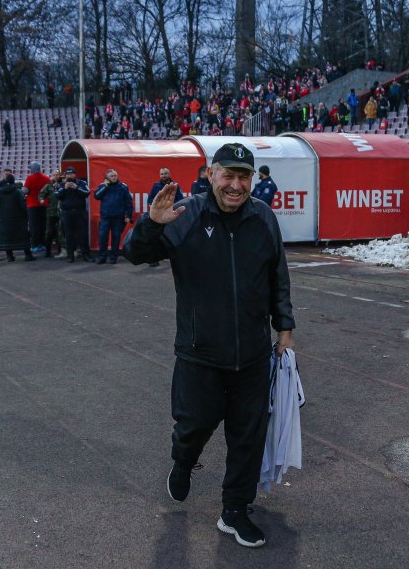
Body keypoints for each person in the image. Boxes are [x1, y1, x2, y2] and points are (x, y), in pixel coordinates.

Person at [122, 142, 295, 549]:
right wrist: (152, 223)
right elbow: (134, 253)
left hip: (252, 355)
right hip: (199, 353)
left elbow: (278, 276)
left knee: (248, 436)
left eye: (244, 177)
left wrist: (284, 328)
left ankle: (235, 510)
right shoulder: (186, 214)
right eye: (228, 176)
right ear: (211, 174)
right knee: (194, 425)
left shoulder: (263, 217)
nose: (235, 185)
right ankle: (183, 461)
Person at [94, 168, 133, 264]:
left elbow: (129, 202)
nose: (114, 177)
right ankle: (102, 256)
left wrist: (128, 215)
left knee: (116, 237)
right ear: (107, 178)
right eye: (111, 176)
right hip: (105, 217)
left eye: (115, 175)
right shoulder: (102, 186)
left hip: (118, 217)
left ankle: (113, 257)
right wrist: (105, 186)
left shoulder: (123, 187)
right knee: (103, 237)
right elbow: (96, 196)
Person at [0, 174, 36, 262]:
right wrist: (26, 216)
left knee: (7, 239)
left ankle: (10, 256)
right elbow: (23, 205)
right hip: (18, 219)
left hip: (4, 219)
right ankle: (28, 255)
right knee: (23, 238)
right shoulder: (17, 191)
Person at [55, 167, 93, 263]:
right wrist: (64, 188)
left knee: (83, 234)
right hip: (67, 213)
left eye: (71, 174)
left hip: (80, 212)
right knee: (68, 235)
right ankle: (70, 256)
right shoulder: (61, 185)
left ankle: (86, 255)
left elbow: (87, 193)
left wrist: (76, 188)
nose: (69, 176)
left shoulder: (81, 183)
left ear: (75, 174)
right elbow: (56, 195)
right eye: (67, 174)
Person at [23, 161, 50, 252]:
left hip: (32, 205)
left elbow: (25, 191)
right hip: (44, 204)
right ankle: (43, 244)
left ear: (32, 169)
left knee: (34, 226)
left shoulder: (29, 178)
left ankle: (35, 245)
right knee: (43, 225)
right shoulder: (46, 178)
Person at [39, 169, 63, 258]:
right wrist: (41, 199)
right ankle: (48, 251)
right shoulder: (48, 185)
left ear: (60, 175)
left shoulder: (63, 184)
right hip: (51, 212)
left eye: (57, 175)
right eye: (54, 175)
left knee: (60, 232)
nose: (56, 176)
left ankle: (61, 251)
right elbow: (41, 194)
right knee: (49, 232)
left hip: (61, 212)